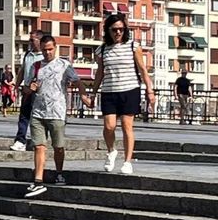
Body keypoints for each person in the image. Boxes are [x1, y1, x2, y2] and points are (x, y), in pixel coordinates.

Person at [24, 34, 91, 198]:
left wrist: (83, 96)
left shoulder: (64, 65)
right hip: (38, 111)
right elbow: (25, 90)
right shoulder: (36, 66)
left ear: (55, 48)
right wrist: (29, 89)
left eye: (50, 49)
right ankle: (38, 181)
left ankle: (59, 172)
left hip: (57, 111)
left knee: (58, 146)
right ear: (40, 48)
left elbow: (77, 81)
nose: (47, 53)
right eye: (44, 49)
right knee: (39, 146)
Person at [90, 13, 155, 175]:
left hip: (129, 90)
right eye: (114, 30)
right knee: (109, 126)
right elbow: (100, 73)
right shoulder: (102, 49)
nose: (118, 33)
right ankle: (111, 150)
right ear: (108, 31)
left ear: (125, 30)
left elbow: (142, 69)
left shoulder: (133, 46)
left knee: (127, 126)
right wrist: (93, 93)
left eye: (121, 29)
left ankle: (127, 161)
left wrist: (149, 90)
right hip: (109, 91)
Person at [10, 31, 45, 152]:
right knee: (24, 116)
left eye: (32, 40)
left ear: (39, 41)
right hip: (26, 89)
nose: (30, 42)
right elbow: (22, 71)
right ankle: (20, 140)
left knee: (38, 117)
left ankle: (39, 140)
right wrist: (17, 85)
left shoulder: (44, 56)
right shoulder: (28, 55)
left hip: (39, 91)